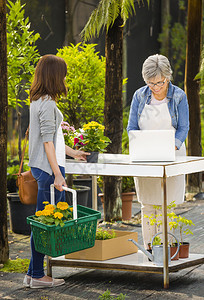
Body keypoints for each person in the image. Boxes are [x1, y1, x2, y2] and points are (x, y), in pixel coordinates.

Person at [23, 54, 89, 289]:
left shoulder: (37, 100)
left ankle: (33, 273)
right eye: (63, 74)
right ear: (54, 76)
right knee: (45, 225)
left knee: (41, 222)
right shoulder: (48, 103)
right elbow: (48, 143)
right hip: (49, 170)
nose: (65, 78)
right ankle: (39, 276)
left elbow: (50, 138)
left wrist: (73, 154)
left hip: (42, 167)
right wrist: (58, 174)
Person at [127, 54, 189, 249]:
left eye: (160, 82)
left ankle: (167, 250)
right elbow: (131, 127)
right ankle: (149, 249)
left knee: (167, 206)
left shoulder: (179, 96)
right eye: (151, 83)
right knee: (148, 205)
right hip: (145, 156)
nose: (155, 87)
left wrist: (172, 146)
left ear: (168, 77)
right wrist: (140, 144)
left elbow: (183, 127)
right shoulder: (139, 95)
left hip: (172, 154)